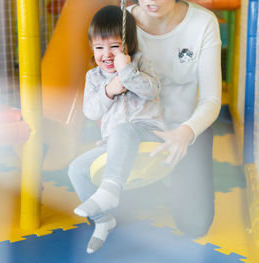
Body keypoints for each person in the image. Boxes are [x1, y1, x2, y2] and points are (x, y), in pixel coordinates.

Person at [68, 5, 165, 253]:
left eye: (114, 46)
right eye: (99, 48)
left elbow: (151, 91)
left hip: (147, 133)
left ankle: (109, 191)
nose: (106, 54)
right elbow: (91, 111)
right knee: (76, 169)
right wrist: (109, 90)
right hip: (114, 141)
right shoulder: (94, 77)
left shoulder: (141, 63)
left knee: (124, 129)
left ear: (128, 44)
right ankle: (103, 220)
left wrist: (127, 71)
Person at [127, 0, 222, 237]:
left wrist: (186, 132)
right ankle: (154, 184)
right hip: (138, 128)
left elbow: (211, 99)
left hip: (187, 129)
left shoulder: (203, 23)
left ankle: (177, 181)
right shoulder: (121, 20)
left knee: (195, 225)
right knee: (111, 217)